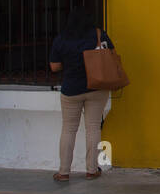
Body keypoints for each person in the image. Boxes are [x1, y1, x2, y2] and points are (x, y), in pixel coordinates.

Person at [49, 9, 114, 182]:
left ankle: (63, 172)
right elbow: (111, 54)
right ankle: (92, 170)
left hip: (71, 90)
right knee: (93, 128)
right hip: (96, 88)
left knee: (68, 129)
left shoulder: (62, 39)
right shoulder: (98, 34)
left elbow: (54, 67)